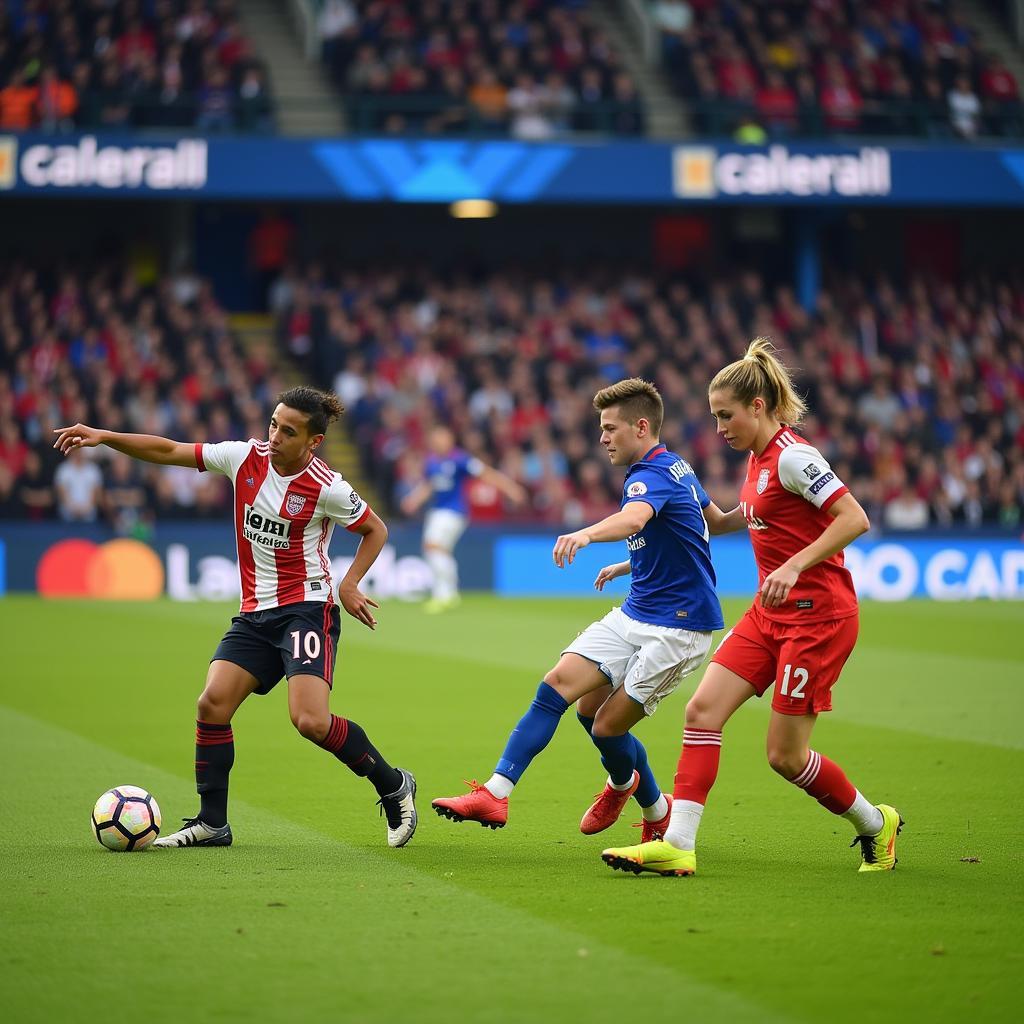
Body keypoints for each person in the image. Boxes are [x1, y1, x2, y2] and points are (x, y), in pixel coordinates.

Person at [52, 386, 418, 849]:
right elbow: (168, 449)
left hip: (306, 610)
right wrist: (104, 436)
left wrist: (348, 584)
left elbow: (375, 528)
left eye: (288, 431)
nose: (274, 437)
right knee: (212, 704)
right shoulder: (243, 458)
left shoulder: (327, 487)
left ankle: (393, 786)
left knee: (309, 720)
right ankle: (212, 823)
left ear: (313, 441)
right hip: (253, 615)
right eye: (273, 424)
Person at [601, 339, 902, 877]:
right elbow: (729, 520)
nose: (719, 427)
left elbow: (854, 518)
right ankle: (678, 844)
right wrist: (671, 526)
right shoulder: (758, 461)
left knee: (785, 757)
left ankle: (876, 824)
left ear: (758, 407)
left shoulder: (793, 456)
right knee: (702, 711)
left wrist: (793, 566)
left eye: (726, 415)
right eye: (715, 416)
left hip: (818, 618)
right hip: (770, 615)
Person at [432, 379, 729, 840]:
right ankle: (495, 793)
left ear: (641, 426)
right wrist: (633, 562)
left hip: (678, 628)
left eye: (611, 429)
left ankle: (628, 788)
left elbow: (637, 519)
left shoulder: (649, 476)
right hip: (637, 610)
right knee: (562, 690)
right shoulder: (676, 468)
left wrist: (587, 534)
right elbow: (704, 526)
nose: (603, 438)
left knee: (607, 727)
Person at [400, 425, 526, 612]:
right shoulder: (432, 462)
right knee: (439, 551)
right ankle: (448, 594)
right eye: (436, 439)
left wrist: (511, 488)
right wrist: (414, 499)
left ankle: (445, 594)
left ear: (450, 440)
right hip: (437, 511)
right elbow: (430, 485)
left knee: (432, 546)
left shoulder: (461, 459)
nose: (439, 442)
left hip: (454, 512)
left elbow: (486, 474)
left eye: (443, 438)